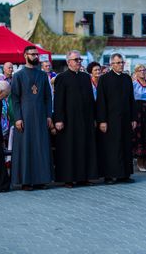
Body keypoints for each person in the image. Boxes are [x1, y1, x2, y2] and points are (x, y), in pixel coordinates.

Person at [53, 51, 98, 188]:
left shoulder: (85, 77)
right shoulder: (61, 78)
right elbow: (58, 100)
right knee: (69, 149)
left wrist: (94, 118)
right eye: (76, 59)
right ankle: (69, 178)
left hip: (85, 119)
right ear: (68, 62)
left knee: (84, 148)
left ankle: (83, 177)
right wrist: (59, 119)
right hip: (68, 120)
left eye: (80, 59)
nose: (79, 61)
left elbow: (91, 99)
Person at [11, 46, 54, 191]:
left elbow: (48, 97)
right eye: (33, 54)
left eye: (37, 54)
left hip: (41, 115)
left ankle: (41, 179)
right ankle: (26, 181)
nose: (36, 56)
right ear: (25, 55)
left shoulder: (42, 75)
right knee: (26, 148)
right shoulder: (18, 75)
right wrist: (18, 117)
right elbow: (15, 98)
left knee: (40, 147)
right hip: (25, 116)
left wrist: (49, 115)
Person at [96, 53, 137, 184]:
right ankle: (110, 175)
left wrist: (133, 118)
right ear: (111, 64)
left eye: (122, 62)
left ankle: (124, 174)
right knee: (111, 147)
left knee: (125, 145)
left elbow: (131, 99)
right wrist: (102, 120)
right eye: (118, 63)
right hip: (110, 118)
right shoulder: (104, 79)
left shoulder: (127, 78)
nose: (120, 65)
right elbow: (101, 101)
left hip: (125, 118)